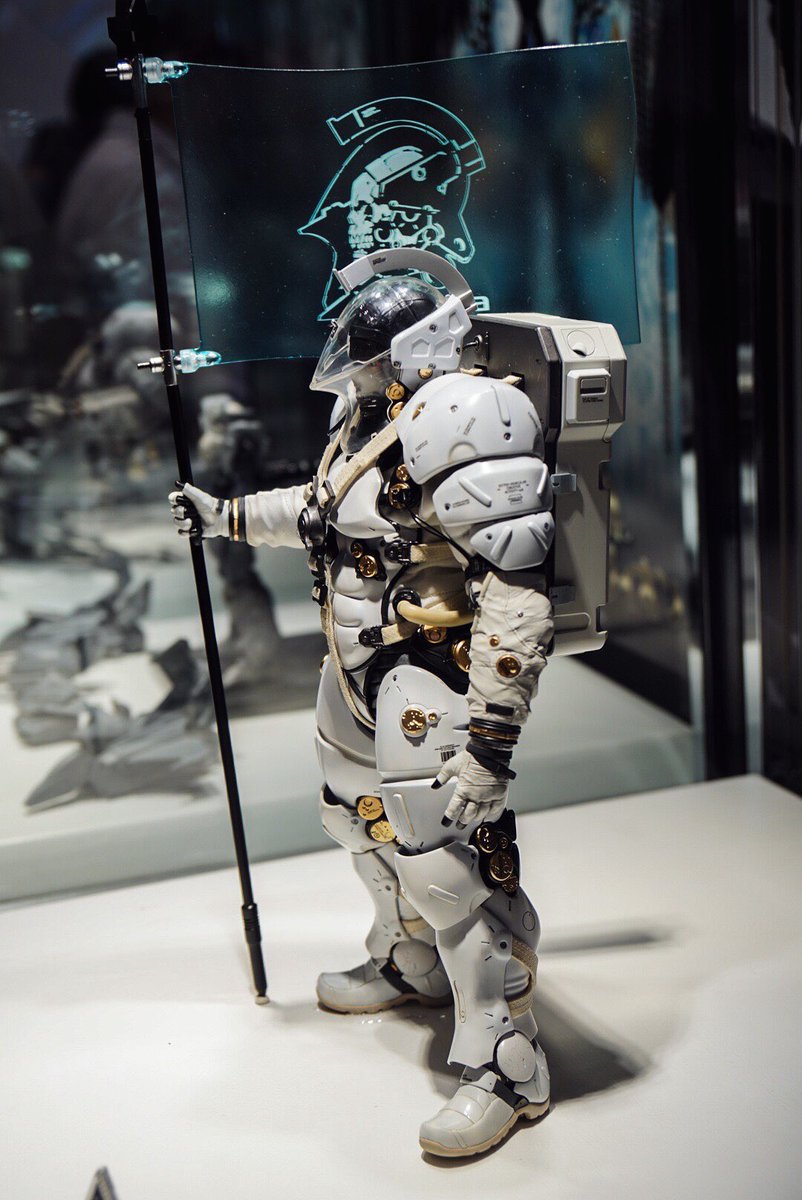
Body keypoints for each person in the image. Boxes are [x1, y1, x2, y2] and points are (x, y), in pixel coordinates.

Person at [169, 249, 554, 1157]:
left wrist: (490, 741)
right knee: (353, 818)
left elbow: (517, 588)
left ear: (420, 349)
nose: (357, 366)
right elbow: (320, 511)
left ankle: (508, 1063)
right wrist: (227, 517)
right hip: (356, 672)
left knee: (442, 863)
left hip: (428, 678)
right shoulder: (373, 418)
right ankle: (409, 961)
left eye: (372, 354)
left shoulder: (468, 414)